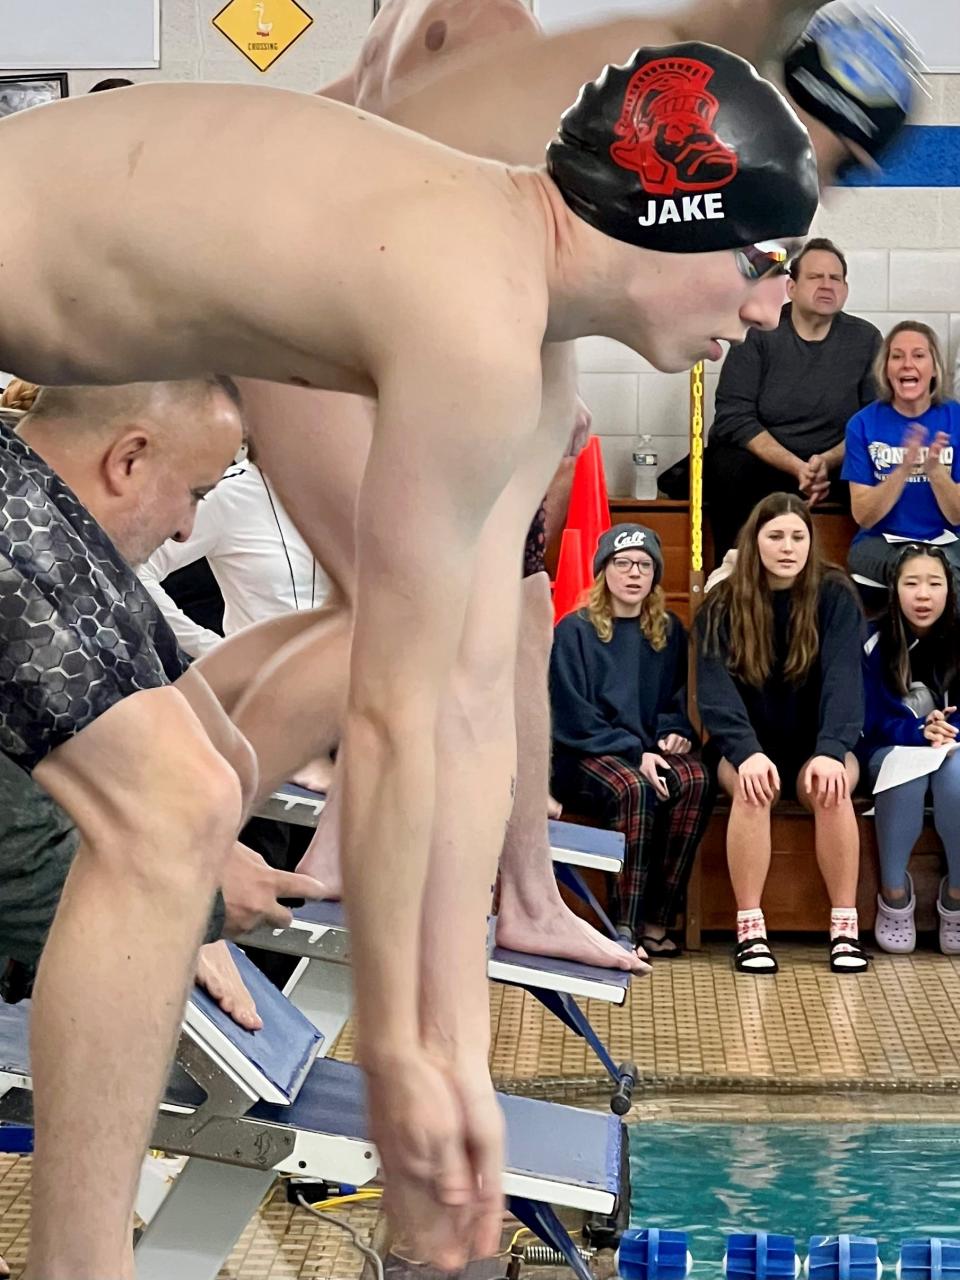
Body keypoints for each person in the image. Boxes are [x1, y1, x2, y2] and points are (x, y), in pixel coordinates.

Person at [0, 5, 916, 1272]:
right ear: (673, 221)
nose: (767, 310)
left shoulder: (510, 321)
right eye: (759, 262)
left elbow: (446, 700)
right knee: (165, 807)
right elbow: (395, 717)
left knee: (185, 796)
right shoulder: (478, 311)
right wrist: (417, 1072)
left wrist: (436, 1053)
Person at [696, 493, 867, 974]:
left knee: (832, 789)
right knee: (754, 790)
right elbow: (715, 693)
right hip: (747, 746)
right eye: (775, 536)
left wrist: (832, 751)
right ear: (755, 542)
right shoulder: (722, 603)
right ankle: (750, 929)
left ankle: (845, 928)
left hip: (818, 743)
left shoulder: (835, 596)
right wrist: (746, 752)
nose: (788, 547)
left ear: (811, 542)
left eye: (798, 536)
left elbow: (844, 682)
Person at [550, 524, 712, 953]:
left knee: (694, 779)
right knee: (633, 788)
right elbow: (570, 717)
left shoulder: (669, 631)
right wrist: (633, 751)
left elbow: (677, 700)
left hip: (642, 751)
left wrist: (674, 733)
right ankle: (623, 926)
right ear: (604, 571)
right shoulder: (574, 632)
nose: (634, 573)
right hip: (585, 754)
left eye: (644, 565)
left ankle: (658, 921)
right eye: (623, 563)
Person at [705, 237, 881, 556]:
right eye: (815, 277)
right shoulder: (759, 330)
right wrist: (798, 467)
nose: (827, 286)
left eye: (835, 278)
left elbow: (874, 420)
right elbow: (734, 417)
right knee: (726, 465)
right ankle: (730, 573)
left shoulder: (865, 339)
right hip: (768, 462)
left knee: (881, 463)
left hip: (834, 464)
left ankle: (874, 568)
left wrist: (825, 462)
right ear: (791, 287)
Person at [860, 543, 960, 955]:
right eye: (912, 583)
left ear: (949, 591)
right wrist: (919, 730)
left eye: (934, 584)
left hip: (953, 747)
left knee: (956, 775)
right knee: (906, 771)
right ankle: (894, 893)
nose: (923, 595)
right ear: (894, 589)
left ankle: (956, 896)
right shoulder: (871, 640)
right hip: (892, 746)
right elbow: (868, 719)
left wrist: (948, 729)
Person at [843, 322, 960, 590]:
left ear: (934, 368)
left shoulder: (956, 419)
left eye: (918, 355)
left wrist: (935, 471)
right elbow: (864, 516)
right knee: (921, 574)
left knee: (940, 571)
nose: (907, 364)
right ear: (886, 368)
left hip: (948, 541)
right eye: (897, 356)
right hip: (880, 544)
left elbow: (957, 516)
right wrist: (903, 469)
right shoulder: (862, 425)